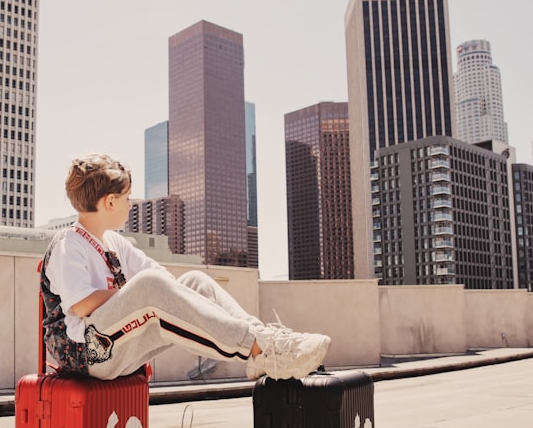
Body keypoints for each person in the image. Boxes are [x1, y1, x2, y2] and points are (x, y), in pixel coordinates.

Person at [41, 154, 331, 381]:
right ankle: (263, 348)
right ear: (110, 201)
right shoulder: (68, 243)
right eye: (127, 199)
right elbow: (81, 305)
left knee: (195, 282)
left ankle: (264, 351)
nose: (130, 205)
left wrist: (156, 296)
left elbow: (163, 283)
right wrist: (136, 295)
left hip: (114, 343)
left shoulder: (116, 242)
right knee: (149, 286)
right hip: (85, 352)